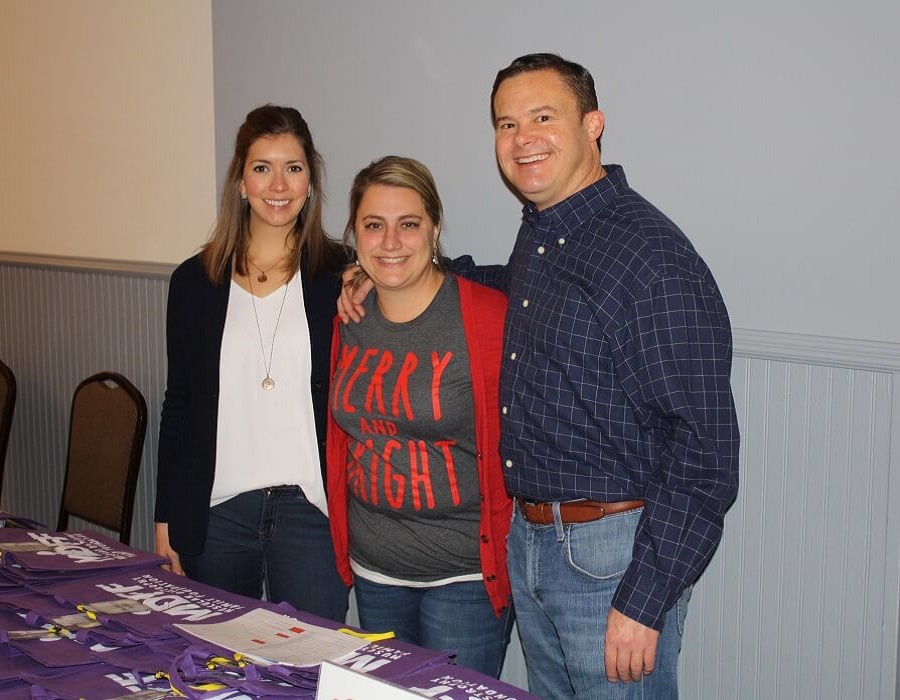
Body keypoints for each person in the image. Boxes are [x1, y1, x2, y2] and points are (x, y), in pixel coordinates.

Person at [340, 54, 739, 698]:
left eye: (543, 117)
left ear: (593, 126)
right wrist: (411, 270)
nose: (522, 138)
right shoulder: (548, 236)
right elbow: (517, 293)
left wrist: (644, 600)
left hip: (612, 559)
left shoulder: (649, 254)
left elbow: (704, 451)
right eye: (506, 123)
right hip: (531, 547)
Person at [155, 104, 349, 623]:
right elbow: (178, 404)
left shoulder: (343, 277)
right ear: (241, 181)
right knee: (217, 667)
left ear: (311, 180)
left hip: (311, 512)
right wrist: (164, 515)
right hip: (216, 512)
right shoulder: (193, 282)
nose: (278, 184)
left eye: (294, 167)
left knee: (309, 668)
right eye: (262, 167)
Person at [326, 156, 513, 678]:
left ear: (434, 229)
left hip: (465, 578)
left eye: (408, 224)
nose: (390, 242)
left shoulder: (484, 316)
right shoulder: (348, 317)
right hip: (374, 572)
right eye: (373, 225)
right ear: (354, 237)